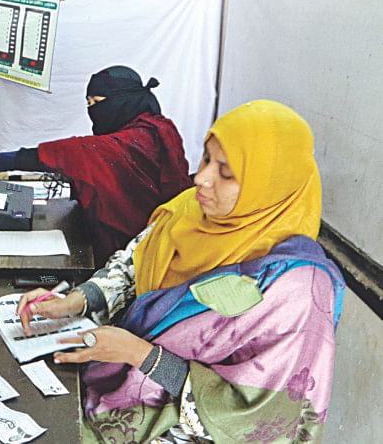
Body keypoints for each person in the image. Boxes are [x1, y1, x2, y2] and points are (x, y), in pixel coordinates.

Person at [18, 100, 345, 443]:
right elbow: (133, 267)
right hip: (114, 383)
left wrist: (140, 355)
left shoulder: (295, 292)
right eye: (206, 159)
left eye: (226, 172)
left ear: (269, 184)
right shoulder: (189, 211)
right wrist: (78, 300)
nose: (202, 178)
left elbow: (257, 417)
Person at [0, 66, 191, 266]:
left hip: (136, 252)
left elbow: (77, 152)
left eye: (97, 102)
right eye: (88, 103)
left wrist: (3, 161)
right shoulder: (160, 127)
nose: (92, 110)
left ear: (123, 99)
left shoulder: (134, 140)